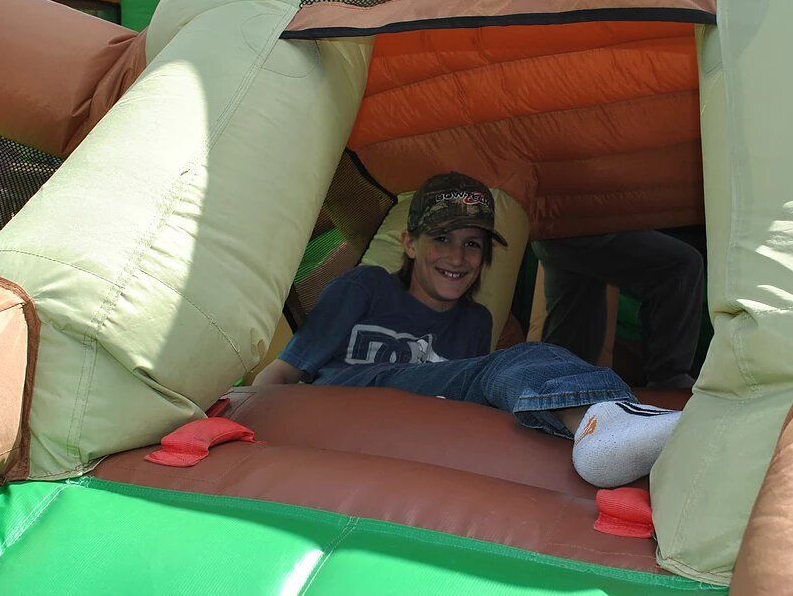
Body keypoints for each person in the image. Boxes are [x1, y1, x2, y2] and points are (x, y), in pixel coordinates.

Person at [256, 172, 681, 488]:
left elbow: (466, 402)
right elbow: (286, 369)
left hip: (421, 427)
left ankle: (605, 430)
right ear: (409, 243)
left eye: (472, 244)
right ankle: (603, 422)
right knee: (511, 363)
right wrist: (251, 421)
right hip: (348, 397)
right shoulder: (365, 286)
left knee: (501, 378)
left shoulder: (474, 322)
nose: (457, 257)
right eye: (441, 239)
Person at [531, 231, 704, 390]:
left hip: (556, 225)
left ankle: (553, 393)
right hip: (576, 222)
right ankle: (669, 380)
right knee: (680, 267)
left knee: (574, 332)